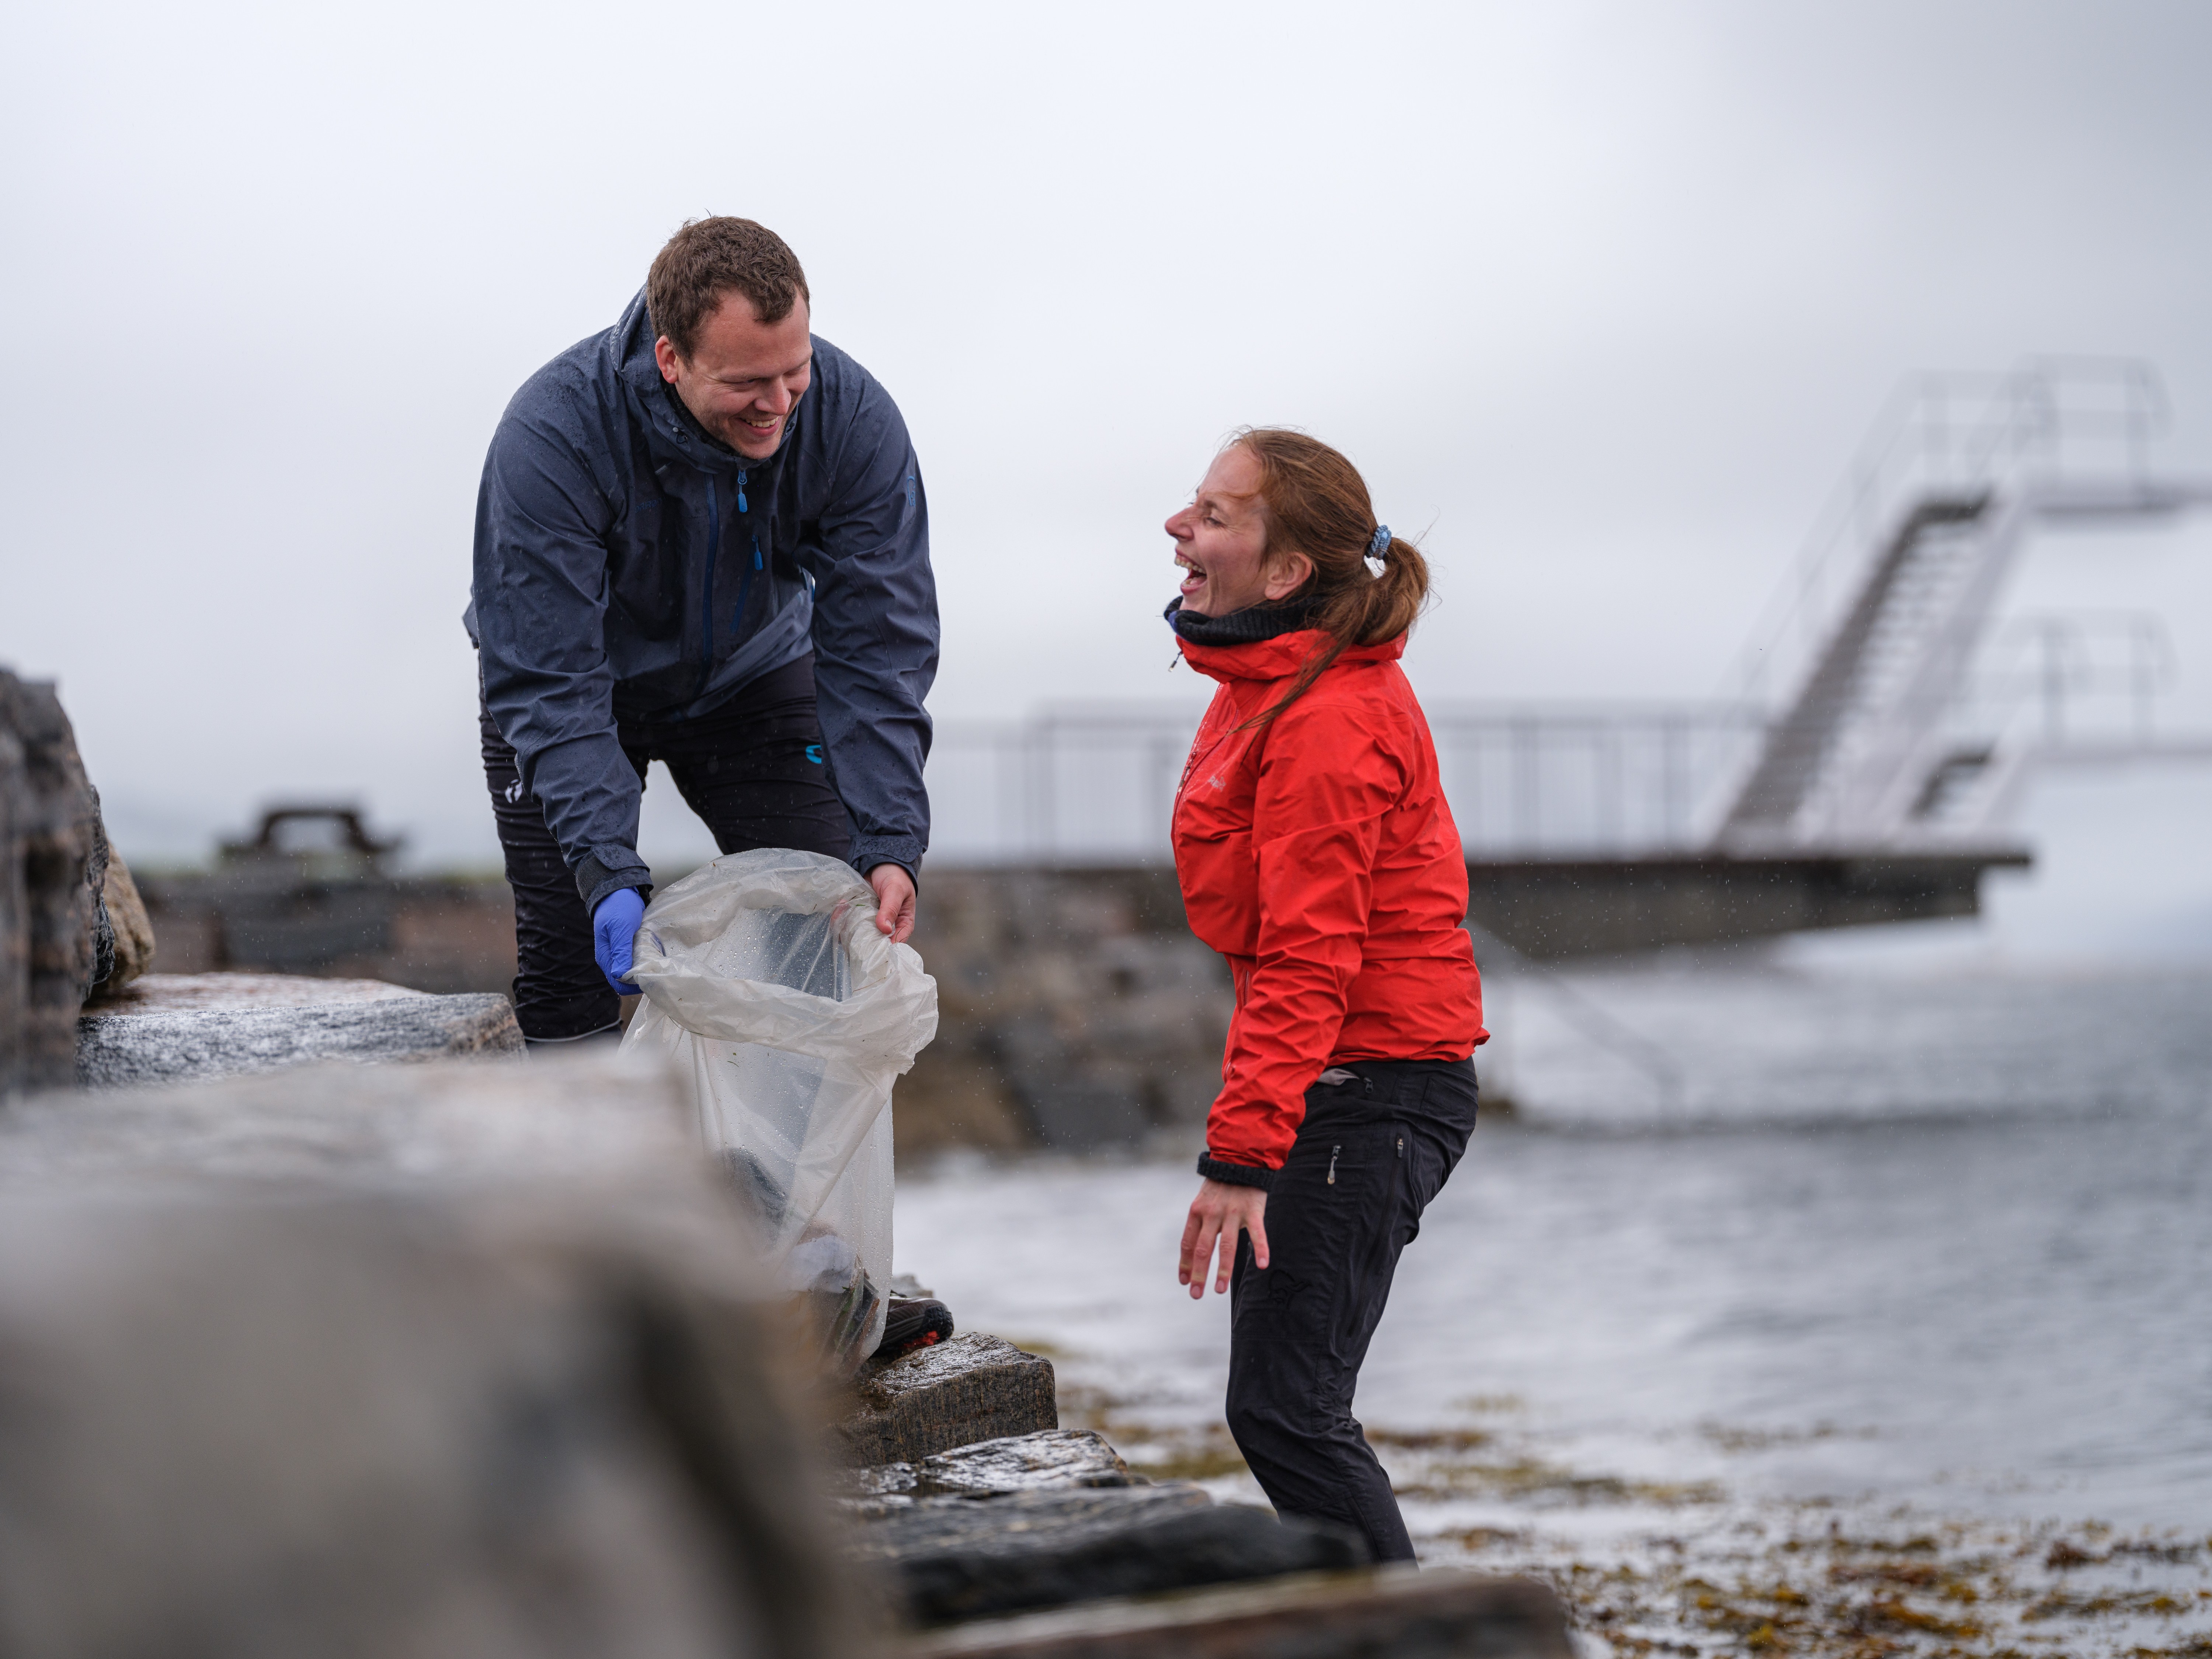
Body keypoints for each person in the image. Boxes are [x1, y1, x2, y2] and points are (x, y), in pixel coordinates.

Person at [468, 217, 936, 1046]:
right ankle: (582, 1129)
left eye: (795, 370)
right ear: (670, 358)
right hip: (578, 695)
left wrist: (891, 839)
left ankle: (768, 1137)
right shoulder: (553, 436)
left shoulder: (852, 421)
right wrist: (604, 864)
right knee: (568, 967)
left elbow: (878, 648)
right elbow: (550, 675)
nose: (780, 404)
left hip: (751, 683)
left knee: (825, 940)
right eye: (748, 382)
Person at [1165, 428, 1487, 1564]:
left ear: (1288, 571)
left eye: (1213, 515)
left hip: (1377, 1091)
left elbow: (1310, 956)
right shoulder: (1267, 678)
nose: (1178, 528)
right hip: (1342, 1082)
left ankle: (1423, 1640)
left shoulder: (1331, 716)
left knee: (1289, 1409)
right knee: (1281, 1408)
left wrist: (1241, 1154)